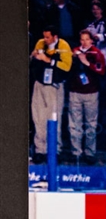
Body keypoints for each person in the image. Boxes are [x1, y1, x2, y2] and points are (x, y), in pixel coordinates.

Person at [29, 24, 72, 163]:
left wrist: (48, 60)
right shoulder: (40, 43)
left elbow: (67, 66)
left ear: (55, 36)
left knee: (54, 118)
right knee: (38, 118)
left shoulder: (64, 46)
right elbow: (33, 58)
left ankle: (55, 150)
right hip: (40, 84)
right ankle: (40, 150)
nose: (45, 39)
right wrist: (34, 56)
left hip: (54, 86)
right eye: (44, 36)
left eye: (48, 37)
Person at [67, 29, 105, 164]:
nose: (84, 42)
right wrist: (74, 57)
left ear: (91, 40)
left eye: (86, 39)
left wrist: (87, 63)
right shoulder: (74, 51)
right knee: (74, 124)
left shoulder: (97, 53)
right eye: (82, 39)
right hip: (75, 92)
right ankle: (76, 152)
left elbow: (101, 70)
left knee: (91, 125)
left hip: (91, 93)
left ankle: (90, 152)